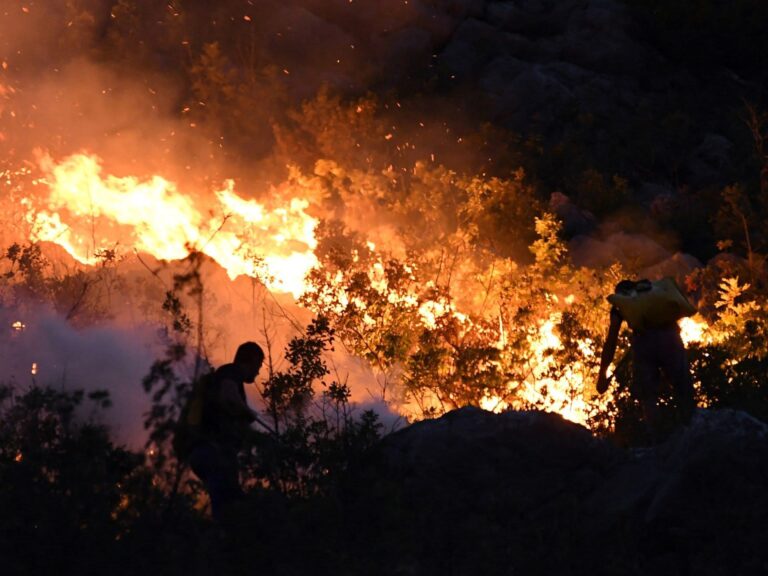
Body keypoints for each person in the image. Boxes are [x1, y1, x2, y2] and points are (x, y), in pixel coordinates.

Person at [596, 279, 695, 438]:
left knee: (648, 395)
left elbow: (612, 339)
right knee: (682, 387)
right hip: (671, 338)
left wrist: (602, 373)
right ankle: (692, 429)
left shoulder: (621, 305)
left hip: (643, 343)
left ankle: (655, 436)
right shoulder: (653, 294)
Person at [188, 341, 264, 522]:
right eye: (258, 366)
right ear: (251, 360)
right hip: (213, 451)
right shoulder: (232, 372)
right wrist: (246, 412)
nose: (258, 371)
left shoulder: (223, 375)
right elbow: (228, 396)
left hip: (204, 452)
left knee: (228, 500)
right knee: (228, 508)